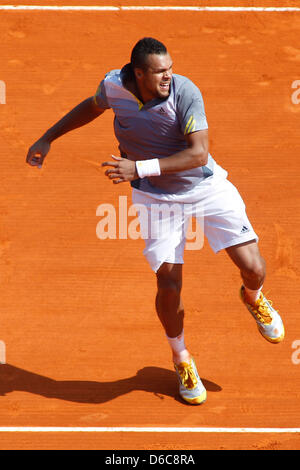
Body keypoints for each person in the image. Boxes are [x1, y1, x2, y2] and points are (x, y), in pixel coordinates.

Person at [26, 37, 285, 405]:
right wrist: (48, 137)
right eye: (160, 71)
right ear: (139, 74)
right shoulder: (113, 86)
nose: (169, 76)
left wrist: (138, 167)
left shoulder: (185, 93)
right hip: (155, 197)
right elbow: (92, 105)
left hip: (204, 187)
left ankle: (253, 297)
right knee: (168, 283)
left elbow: (198, 155)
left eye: (170, 68)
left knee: (254, 268)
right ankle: (181, 358)